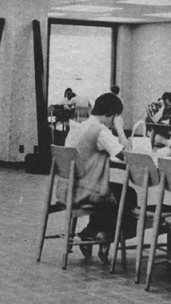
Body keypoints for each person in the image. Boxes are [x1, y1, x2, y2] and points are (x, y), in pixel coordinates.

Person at [55, 92, 138, 263]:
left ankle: (91, 232)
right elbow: (125, 155)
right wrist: (121, 129)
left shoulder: (79, 126)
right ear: (111, 114)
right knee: (127, 194)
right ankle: (105, 236)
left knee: (111, 191)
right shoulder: (101, 131)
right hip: (87, 190)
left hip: (68, 188)